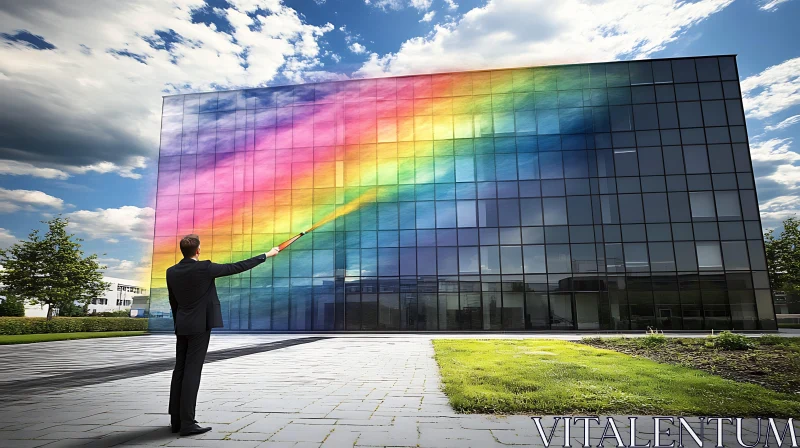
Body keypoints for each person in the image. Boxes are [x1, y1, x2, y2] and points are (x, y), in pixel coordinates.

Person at [167, 234, 280, 436]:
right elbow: (237, 267)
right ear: (198, 250)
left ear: (182, 251)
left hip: (182, 324)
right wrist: (266, 255)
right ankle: (188, 423)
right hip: (200, 326)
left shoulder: (171, 272)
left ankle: (176, 420)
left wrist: (179, 322)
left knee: (180, 371)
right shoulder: (205, 268)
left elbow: (173, 301)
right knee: (193, 372)